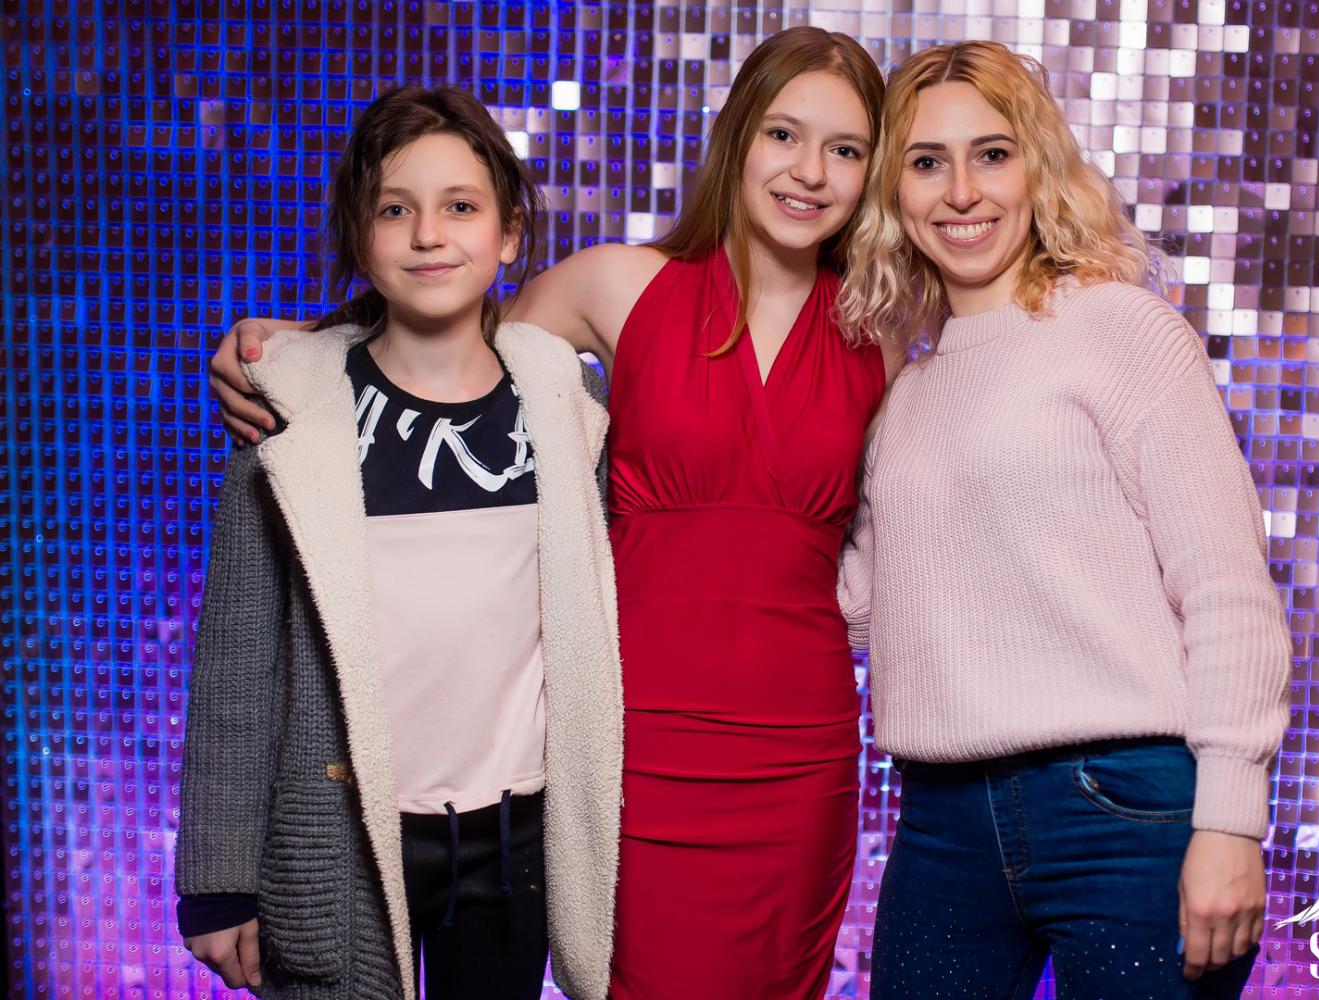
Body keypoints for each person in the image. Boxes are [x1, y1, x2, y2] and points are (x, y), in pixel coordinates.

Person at [202, 28, 899, 999]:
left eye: (845, 148)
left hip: (800, 751)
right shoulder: (619, 283)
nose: (809, 171)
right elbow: (451, 339)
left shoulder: (884, 335)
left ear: (871, 171)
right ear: (738, 136)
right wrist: (303, 349)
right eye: (783, 133)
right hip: (632, 741)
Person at [836, 41, 1292, 1000]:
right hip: (941, 820)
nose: (962, 191)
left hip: (1123, 806)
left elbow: (1225, 586)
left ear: (1038, 167)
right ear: (893, 193)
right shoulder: (904, 394)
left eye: (992, 154)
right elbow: (859, 614)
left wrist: (1231, 820)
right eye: (927, 162)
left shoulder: (1121, 331)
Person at [175, 85, 622, 1000]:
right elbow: (236, 660)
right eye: (394, 210)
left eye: (460, 207)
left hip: (514, 841)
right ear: (359, 235)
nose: (428, 235)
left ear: (509, 234)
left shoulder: (566, 406)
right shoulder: (289, 414)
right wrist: (217, 880)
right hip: (337, 831)